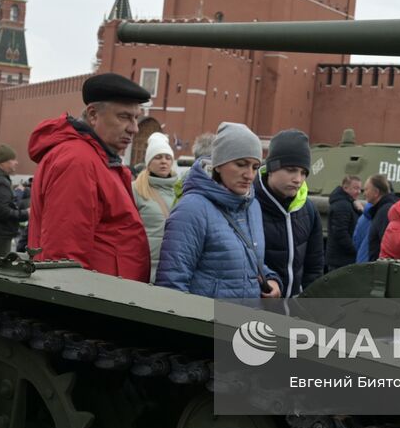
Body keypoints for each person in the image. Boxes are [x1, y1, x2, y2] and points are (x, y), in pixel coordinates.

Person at [27, 73, 153, 281]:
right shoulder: (78, 162)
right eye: (124, 117)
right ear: (93, 115)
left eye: (136, 118)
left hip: (106, 295)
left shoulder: (96, 159)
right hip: (96, 301)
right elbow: (63, 260)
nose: (134, 128)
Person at [155, 122, 281, 298]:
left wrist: (270, 279)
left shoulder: (253, 206)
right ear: (219, 164)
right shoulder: (192, 209)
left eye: (254, 167)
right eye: (241, 164)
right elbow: (172, 283)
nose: (249, 175)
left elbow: (248, 260)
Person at [252, 129, 324, 296]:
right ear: (272, 168)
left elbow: (314, 268)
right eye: (291, 170)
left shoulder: (309, 210)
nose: (298, 179)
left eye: (303, 172)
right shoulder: (247, 204)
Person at [131, 132, 177, 280]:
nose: (164, 161)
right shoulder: (136, 189)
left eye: (167, 157)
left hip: (172, 265)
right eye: (158, 157)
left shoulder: (181, 190)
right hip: (143, 266)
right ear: (149, 162)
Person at [353, 174, 396, 262]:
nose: (364, 193)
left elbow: (385, 244)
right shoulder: (381, 209)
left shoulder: (384, 212)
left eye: (366, 190)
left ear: (376, 192)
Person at [324, 174, 362, 271]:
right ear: (345, 188)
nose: (358, 192)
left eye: (360, 189)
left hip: (342, 259)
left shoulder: (348, 203)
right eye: (355, 188)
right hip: (341, 260)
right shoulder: (342, 206)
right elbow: (340, 233)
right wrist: (355, 250)